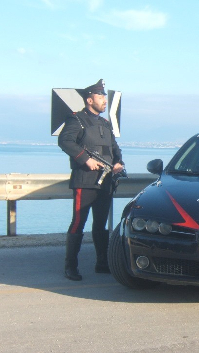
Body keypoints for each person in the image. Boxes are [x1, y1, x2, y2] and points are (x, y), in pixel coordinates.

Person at [58, 79, 124, 281]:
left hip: (104, 182)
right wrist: (85, 160)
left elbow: (114, 149)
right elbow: (64, 141)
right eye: (100, 96)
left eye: (104, 96)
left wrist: (118, 163)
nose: (104, 100)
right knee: (78, 223)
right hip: (84, 181)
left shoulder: (105, 124)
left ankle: (102, 263)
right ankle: (71, 267)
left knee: (101, 225)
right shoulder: (76, 120)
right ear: (89, 100)